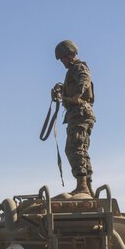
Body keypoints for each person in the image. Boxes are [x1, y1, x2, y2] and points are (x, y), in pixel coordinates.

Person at [53, 39, 95, 195]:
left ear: (70, 54)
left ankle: (83, 185)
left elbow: (85, 79)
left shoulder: (79, 67)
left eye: (63, 58)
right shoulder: (72, 71)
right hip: (77, 114)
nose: (62, 62)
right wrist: (62, 90)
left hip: (80, 113)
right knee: (79, 148)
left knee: (74, 148)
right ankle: (87, 187)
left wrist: (77, 96)